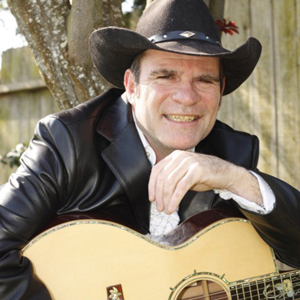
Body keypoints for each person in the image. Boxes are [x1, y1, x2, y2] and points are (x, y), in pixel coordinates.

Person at [0, 0, 299, 298]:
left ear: (220, 93)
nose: (186, 97)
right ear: (131, 87)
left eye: (204, 79)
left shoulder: (232, 153)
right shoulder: (68, 142)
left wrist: (235, 178)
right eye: (166, 76)